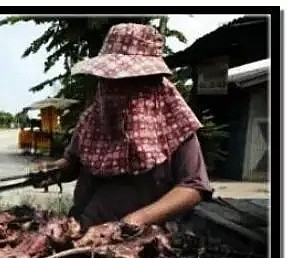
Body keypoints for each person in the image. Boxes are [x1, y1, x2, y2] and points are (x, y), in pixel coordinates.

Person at [36, 23, 213, 231]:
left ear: (147, 81)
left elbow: (193, 187)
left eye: (122, 80)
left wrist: (138, 219)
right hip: (83, 229)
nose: (112, 88)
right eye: (107, 80)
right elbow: (73, 163)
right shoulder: (92, 120)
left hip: (143, 240)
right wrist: (54, 170)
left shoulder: (174, 123)